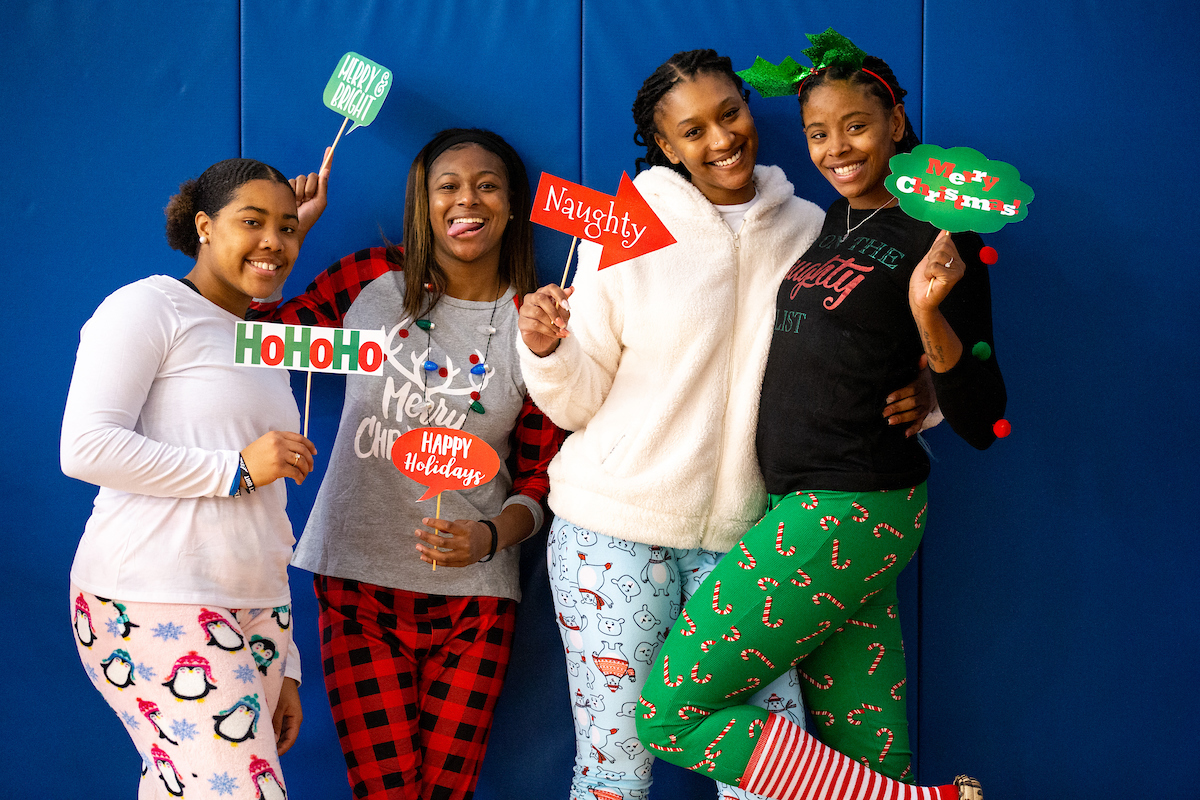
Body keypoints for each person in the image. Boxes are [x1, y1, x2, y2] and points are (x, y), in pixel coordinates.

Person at [517, 50, 932, 800]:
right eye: (693, 130)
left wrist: (926, 391)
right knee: (615, 771)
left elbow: (869, 343)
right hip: (612, 534)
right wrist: (544, 348)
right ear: (667, 145)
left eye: (730, 114)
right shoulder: (620, 227)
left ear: (751, 110)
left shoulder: (814, 226)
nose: (720, 139)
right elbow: (578, 401)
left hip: (750, 538)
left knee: (770, 776)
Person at [635, 30, 1003, 800]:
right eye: (818, 132)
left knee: (671, 715)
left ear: (896, 124)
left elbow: (983, 414)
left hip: (852, 505)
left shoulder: (941, 232)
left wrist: (931, 319)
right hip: (804, 508)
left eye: (857, 126)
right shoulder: (830, 221)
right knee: (866, 754)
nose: (837, 147)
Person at [253, 128, 563, 800]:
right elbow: (262, 344)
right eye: (446, 185)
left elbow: (541, 476)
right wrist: (289, 241)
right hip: (357, 584)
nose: (466, 199)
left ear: (511, 205)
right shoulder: (372, 280)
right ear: (422, 204)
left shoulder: (534, 319)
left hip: (474, 601)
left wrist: (487, 537)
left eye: (486, 184)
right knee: (386, 791)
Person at [62, 158, 317, 798]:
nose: (274, 241)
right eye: (251, 222)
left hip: (253, 605)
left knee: (183, 787)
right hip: (151, 592)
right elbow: (85, 447)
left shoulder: (260, 339)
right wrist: (233, 470)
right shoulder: (148, 305)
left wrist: (287, 660)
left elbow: (268, 506)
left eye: (287, 229)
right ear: (204, 226)